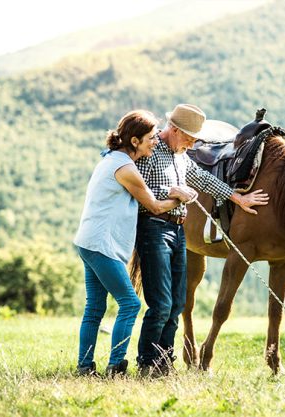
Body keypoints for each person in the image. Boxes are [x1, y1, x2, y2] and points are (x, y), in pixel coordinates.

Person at [135, 104, 269, 376]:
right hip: (154, 229)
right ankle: (147, 363)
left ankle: (164, 360)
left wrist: (238, 198)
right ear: (174, 130)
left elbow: (204, 179)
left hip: (177, 229)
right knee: (160, 303)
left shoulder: (182, 156)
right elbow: (137, 188)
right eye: (190, 138)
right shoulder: (148, 153)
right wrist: (173, 193)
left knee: (176, 301)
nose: (193, 143)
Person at [73, 110, 197, 378]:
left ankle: (85, 367)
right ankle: (116, 366)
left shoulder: (112, 159)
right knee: (130, 303)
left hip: (90, 240)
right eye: (151, 138)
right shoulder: (126, 169)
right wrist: (180, 198)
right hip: (101, 244)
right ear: (134, 141)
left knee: (95, 308)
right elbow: (153, 205)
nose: (156, 142)